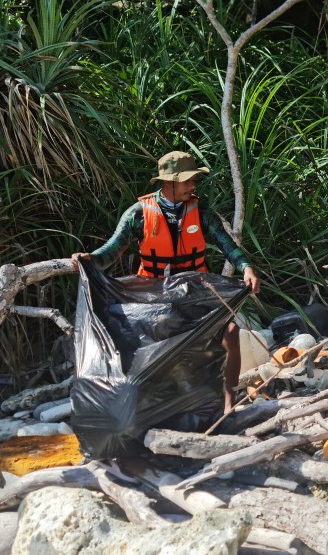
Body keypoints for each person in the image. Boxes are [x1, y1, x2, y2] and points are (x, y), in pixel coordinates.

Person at [72, 150, 261, 413]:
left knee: (230, 333)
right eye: (187, 181)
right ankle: (157, 404)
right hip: (153, 298)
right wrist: (88, 259)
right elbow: (110, 252)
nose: (193, 186)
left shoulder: (201, 212)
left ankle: (229, 399)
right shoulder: (138, 214)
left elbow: (227, 245)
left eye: (194, 180)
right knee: (156, 339)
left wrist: (246, 267)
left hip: (195, 292)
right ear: (168, 182)